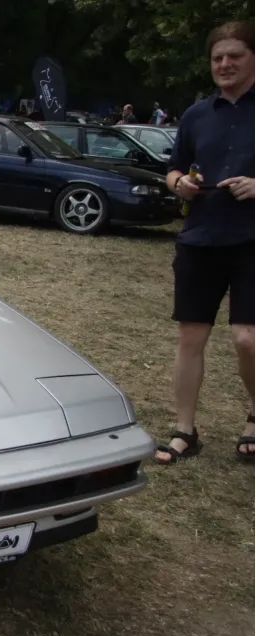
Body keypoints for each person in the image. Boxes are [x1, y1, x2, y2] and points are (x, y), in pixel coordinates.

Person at [155, 19, 256, 465]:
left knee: (247, 339)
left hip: (252, 240)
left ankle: (255, 416)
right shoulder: (197, 114)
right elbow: (173, 169)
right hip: (200, 238)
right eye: (217, 58)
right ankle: (184, 430)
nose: (225, 64)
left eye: (234, 55)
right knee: (190, 337)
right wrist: (180, 184)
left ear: (254, 58)